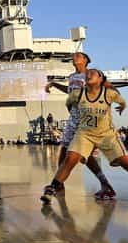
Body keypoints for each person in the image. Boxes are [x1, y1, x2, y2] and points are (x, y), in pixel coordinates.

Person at [41, 69, 128, 213]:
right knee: (70, 158)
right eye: (87, 73)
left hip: (106, 134)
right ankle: (52, 188)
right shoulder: (77, 94)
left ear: (101, 79)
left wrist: (121, 106)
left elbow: (121, 102)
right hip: (85, 133)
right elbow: (69, 103)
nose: (89, 74)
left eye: (93, 73)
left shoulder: (109, 93)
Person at [45, 52, 116, 200]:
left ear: (86, 60)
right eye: (74, 56)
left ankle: (104, 184)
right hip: (73, 117)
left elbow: (110, 89)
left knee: (84, 155)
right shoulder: (72, 77)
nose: (75, 57)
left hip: (86, 118)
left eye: (79, 55)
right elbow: (69, 90)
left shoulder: (91, 75)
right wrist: (54, 84)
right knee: (64, 150)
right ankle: (59, 184)